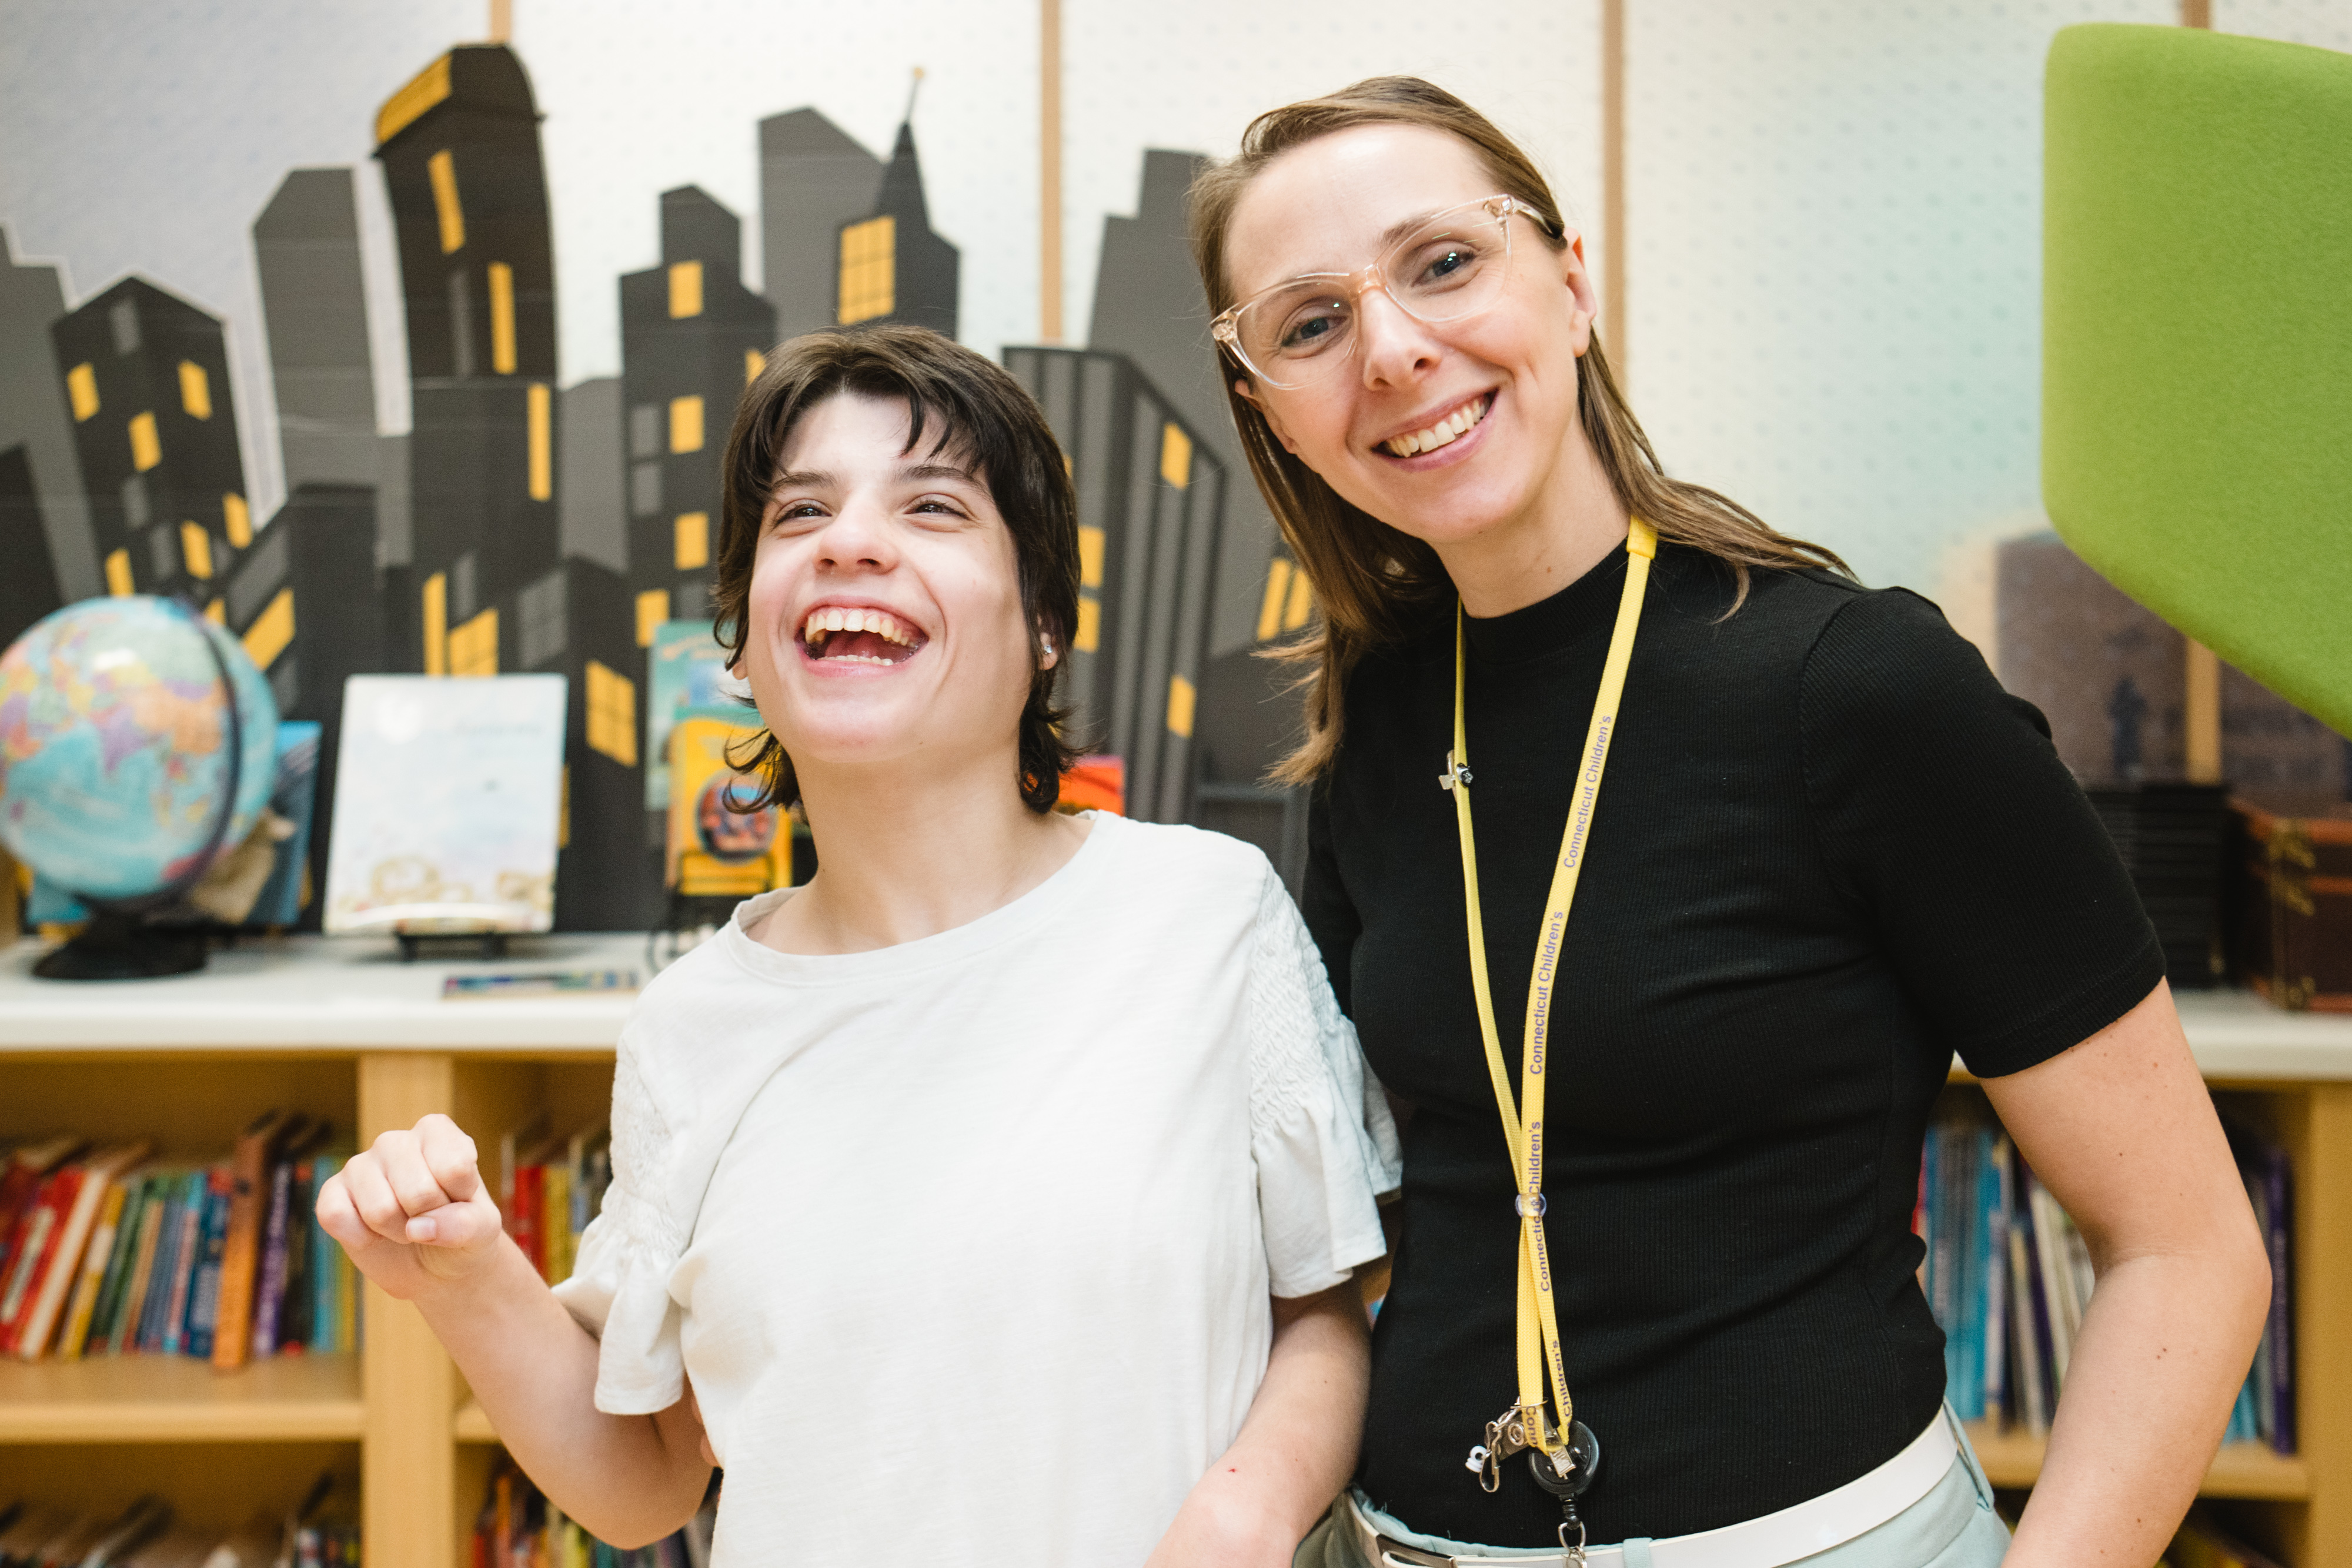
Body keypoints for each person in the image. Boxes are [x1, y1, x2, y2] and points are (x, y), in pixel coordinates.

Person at [1187, 77, 2270, 1568]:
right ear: (1268, 409)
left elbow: (2187, 1250)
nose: (1389, 350)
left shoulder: (1856, 684)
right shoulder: (1375, 725)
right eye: (1307, 324)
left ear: (1567, 282)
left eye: (1442, 262)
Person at [316, 326, 1400, 1567]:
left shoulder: (1208, 913)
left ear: (1044, 623)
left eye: (933, 504)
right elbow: (645, 1480)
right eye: (800, 512)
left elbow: (1326, 1301)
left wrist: (1245, 1513)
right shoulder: (689, 1023)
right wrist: (465, 1278)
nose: (849, 539)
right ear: (743, 640)